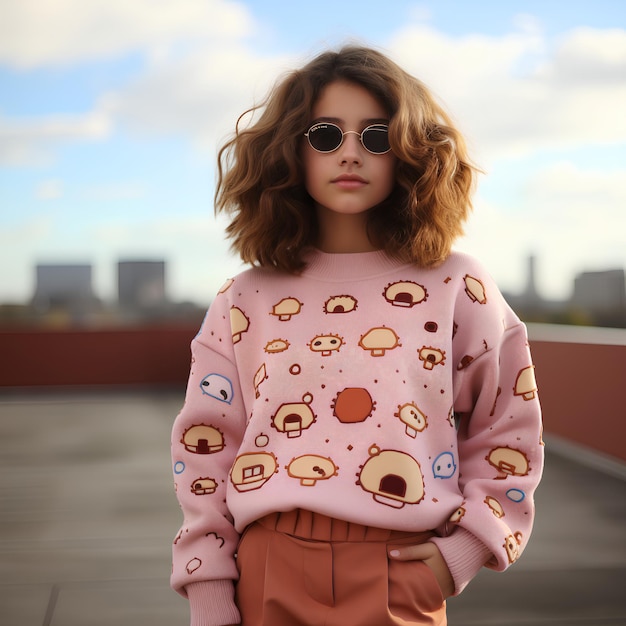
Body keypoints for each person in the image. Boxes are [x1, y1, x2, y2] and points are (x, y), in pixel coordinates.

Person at [170, 45, 544, 626]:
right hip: (266, 566)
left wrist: (461, 554)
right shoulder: (244, 298)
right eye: (325, 135)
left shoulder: (457, 286)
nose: (350, 152)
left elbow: (509, 430)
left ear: (409, 151)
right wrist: (209, 592)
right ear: (292, 150)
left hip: (402, 569)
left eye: (377, 136)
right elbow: (206, 451)